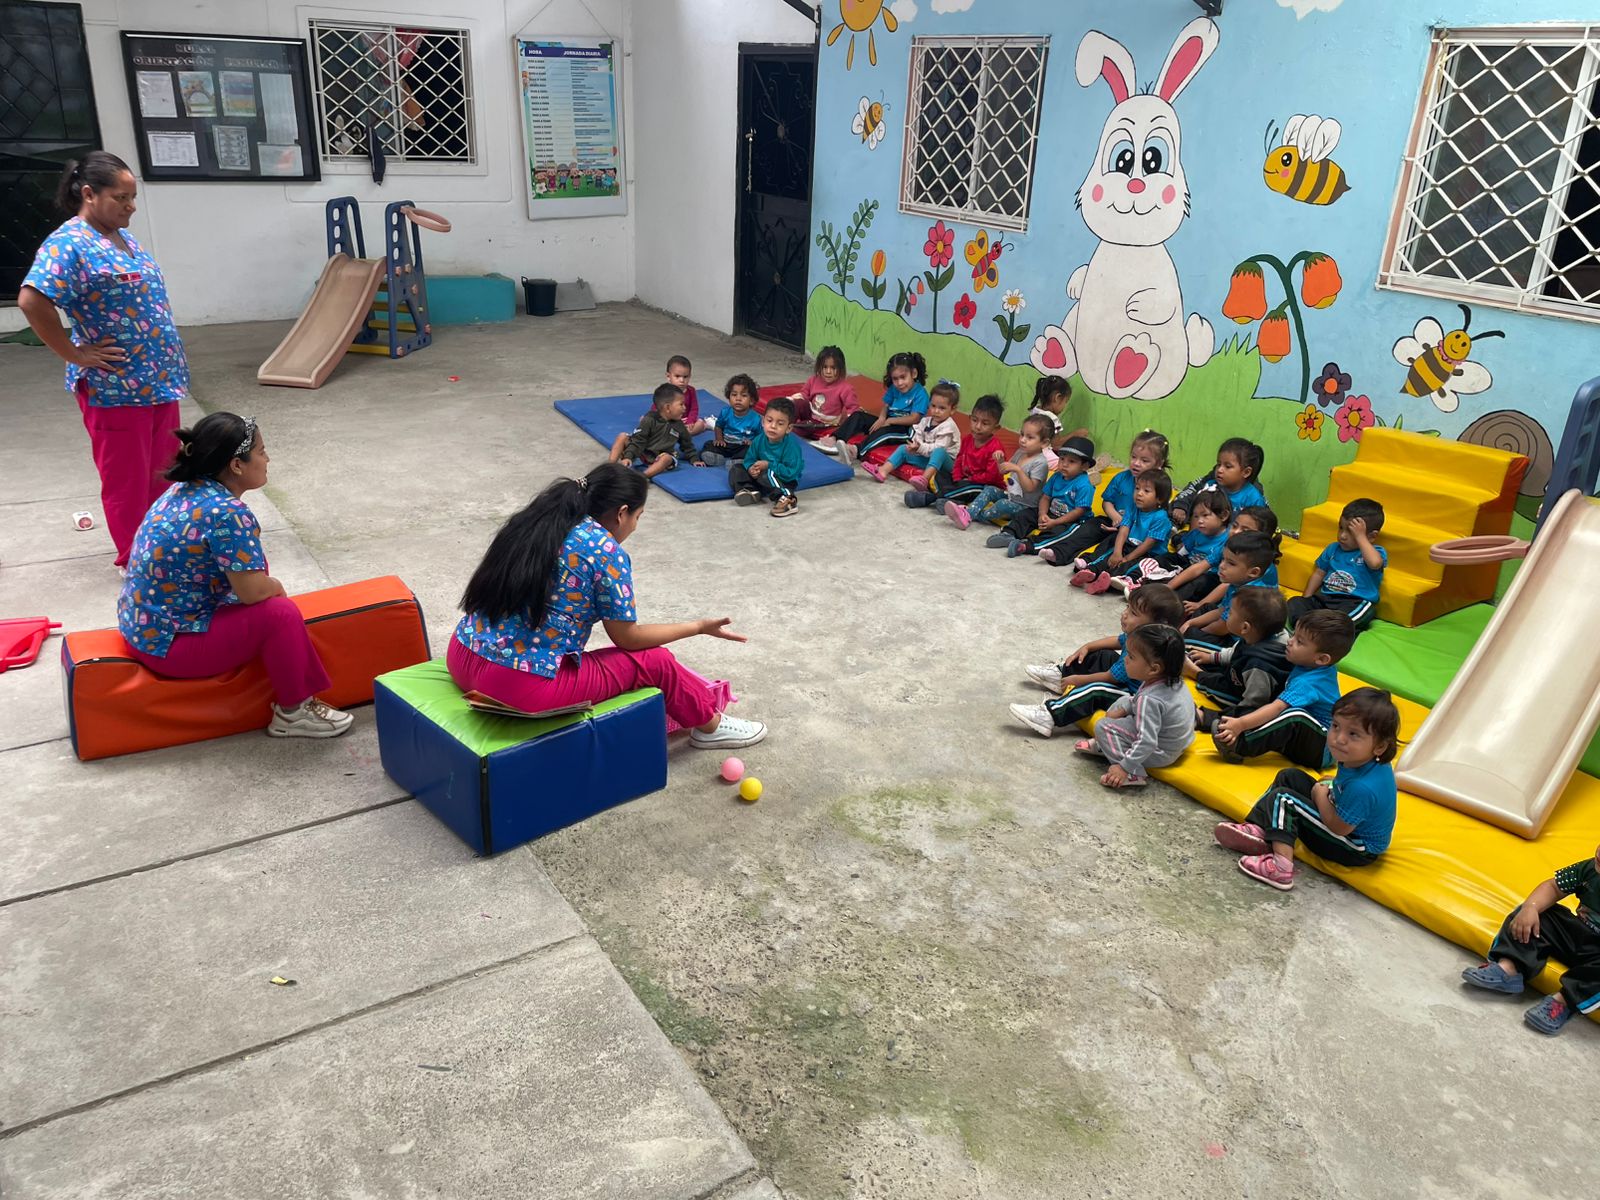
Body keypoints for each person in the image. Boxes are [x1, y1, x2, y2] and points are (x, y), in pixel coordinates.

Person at [451, 462, 765, 748]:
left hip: (462, 655)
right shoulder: (605, 550)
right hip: (517, 685)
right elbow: (628, 638)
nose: (635, 526)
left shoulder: (538, 523)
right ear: (621, 513)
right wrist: (697, 627)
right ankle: (710, 727)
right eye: (637, 517)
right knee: (656, 662)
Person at [116, 412, 351, 738]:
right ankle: (295, 712)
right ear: (237, 465)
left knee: (261, 587)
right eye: (262, 452)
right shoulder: (227, 513)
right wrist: (275, 586)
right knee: (280, 613)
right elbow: (252, 592)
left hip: (143, 630)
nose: (268, 460)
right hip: (171, 647)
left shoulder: (182, 490)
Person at [18, 151, 191, 572]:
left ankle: (161, 548)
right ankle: (138, 563)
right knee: (127, 481)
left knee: (163, 472)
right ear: (89, 194)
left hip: (157, 381)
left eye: (133, 198)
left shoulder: (122, 238)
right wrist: (74, 353)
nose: (131, 207)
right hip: (115, 387)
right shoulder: (69, 244)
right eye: (121, 197)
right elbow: (32, 300)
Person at [1213, 687, 1400, 891]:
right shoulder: (1362, 759)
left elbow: (1339, 827)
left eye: (1353, 734)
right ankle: (1260, 829)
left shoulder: (1363, 787)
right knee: (1290, 777)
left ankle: (1281, 867)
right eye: (1336, 726)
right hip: (1343, 817)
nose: (1339, 738)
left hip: (1355, 846)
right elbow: (1348, 786)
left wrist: (1320, 795)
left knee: (1285, 800)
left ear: (1380, 746)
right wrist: (1331, 785)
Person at [1461, 841, 1600, 1035]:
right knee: (1537, 912)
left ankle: (1563, 1002)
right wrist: (1531, 907)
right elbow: (1553, 887)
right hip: (1577, 932)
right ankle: (1509, 969)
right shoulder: (1590, 868)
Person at [1011, 583, 1184, 735]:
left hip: (1133, 695)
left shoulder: (1148, 654)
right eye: (1127, 607)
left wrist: (1078, 680)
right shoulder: (1142, 637)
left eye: (1133, 613)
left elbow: (1110, 677)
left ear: (1156, 625)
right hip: (1130, 677)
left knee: (1095, 690)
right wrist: (1088, 646)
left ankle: (1049, 716)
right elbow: (1118, 641)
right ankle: (1061, 675)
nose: (1124, 614)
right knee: (1103, 654)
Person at [1212, 609, 1356, 767]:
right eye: (1293, 634)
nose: (1290, 641)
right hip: (1296, 741)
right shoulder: (1310, 663)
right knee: (1272, 699)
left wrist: (1241, 724)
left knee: (1294, 715)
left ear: (1322, 659)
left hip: (1321, 749)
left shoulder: (1308, 683)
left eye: (1299, 642)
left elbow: (1277, 708)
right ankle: (1216, 720)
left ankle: (1240, 746)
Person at [1075, 625, 1197, 789]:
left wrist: (1123, 767)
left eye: (1131, 657)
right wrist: (1125, 708)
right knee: (1124, 702)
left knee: (1103, 727)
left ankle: (1133, 773)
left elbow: (1147, 742)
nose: (1125, 659)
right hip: (1177, 742)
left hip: (1160, 751)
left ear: (1153, 669)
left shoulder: (1149, 699)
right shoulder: (1173, 681)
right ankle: (1109, 744)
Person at [1040, 429, 1169, 567]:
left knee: (1113, 544)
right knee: (1088, 528)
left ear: (1159, 464)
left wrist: (1124, 526)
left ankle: (1090, 564)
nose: (1136, 463)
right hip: (1113, 521)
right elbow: (1107, 501)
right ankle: (1059, 552)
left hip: (1135, 531)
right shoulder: (1122, 477)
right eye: (1133, 457)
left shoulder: (1160, 485)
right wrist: (1114, 517)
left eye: (1144, 460)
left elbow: (1157, 515)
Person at [1187, 584, 1292, 734]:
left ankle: (1194, 673)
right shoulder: (1258, 635)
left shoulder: (1259, 667)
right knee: (1198, 654)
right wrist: (1212, 657)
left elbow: (1252, 706)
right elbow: (1235, 652)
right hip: (1240, 675)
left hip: (1246, 699)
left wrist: (1198, 674)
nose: (1226, 615)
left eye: (1230, 613)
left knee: (1213, 681)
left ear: (1245, 628)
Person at [1069, 470, 1175, 595]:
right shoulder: (1133, 507)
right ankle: (1091, 570)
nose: (1139, 493)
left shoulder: (1161, 518)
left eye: (1146, 491)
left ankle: (1107, 580)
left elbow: (1148, 544)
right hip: (1130, 544)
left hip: (1148, 553)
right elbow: (1124, 530)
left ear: (1160, 499)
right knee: (1110, 554)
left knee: (1130, 566)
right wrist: (1117, 552)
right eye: (1137, 488)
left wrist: (1127, 558)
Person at [988, 435, 1096, 557]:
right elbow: (1045, 497)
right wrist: (1042, 514)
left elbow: (1079, 511)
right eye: (1062, 459)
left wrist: (1055, 522)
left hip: (1072, 520)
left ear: (1084, 466)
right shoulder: (1057, 477)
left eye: (1072, 461)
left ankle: (1026, 546)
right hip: (1051, 512)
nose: (1064, 464)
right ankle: (1008, 534)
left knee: (1060, 534)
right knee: (1026, 514)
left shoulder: (1084, 485)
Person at [1289, 498, 1387, 632]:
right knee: (1295, 603)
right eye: (1341, 528)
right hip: (1326, 598)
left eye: (1351, 532)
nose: (1342, 536)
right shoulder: (1333, 549)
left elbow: (1375, 563)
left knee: (1348, 618)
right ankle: (1306, 628)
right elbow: (1318, 574)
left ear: (1371, 536)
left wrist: (1361, 538)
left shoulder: (1375, 552)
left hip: (1355, 602)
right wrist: (1306, 599)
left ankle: (1323, 630)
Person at [944, 414, 1052, 531]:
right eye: (1022, 434)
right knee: (990, 490)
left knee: (1002, 504)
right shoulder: (1021, 453)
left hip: (1026, 507)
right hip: (1011, 496)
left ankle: (977, 515)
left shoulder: (1040, 463)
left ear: (1044, 443)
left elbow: (1030, 488)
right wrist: (1000, 460)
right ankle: (968, 514)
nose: (1022, 440)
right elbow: (1003, 471)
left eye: (1030, 437)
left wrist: (1018, 470)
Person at [1123, 487, 1230, 596]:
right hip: (1188, 566)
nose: (1199, 521)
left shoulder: (1226, 542)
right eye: (1196, 516)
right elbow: (1182, 554)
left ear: (1223, 515)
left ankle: (1162, 598)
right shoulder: (1197, 533)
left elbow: (1199, 569)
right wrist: (1170, 562)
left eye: (1205, 515)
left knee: (1199, 582)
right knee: (1165, 558)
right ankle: (1131, 578)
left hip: (1207, 575)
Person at [1180, 531, 1278, 643]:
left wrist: (1198, 631)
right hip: (1227, 625)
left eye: (1231, 563)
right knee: (1205, 608)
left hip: (1237, 641)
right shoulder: (1238, 582)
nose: (1222, 566)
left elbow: (1223, 627)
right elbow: (1221, 611)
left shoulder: (1249, 596)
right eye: (1223, 559)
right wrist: (1191, 623)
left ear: (1253, 572)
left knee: (1189, 635)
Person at [834, 351, 929, 465]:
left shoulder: (920, 393)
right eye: (895, 379)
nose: (899, 383)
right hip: (889, 421)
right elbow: (886, 405)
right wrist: (882, 418)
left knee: (884, 432)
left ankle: (855, 451)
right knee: (858, 416)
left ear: (914, 373)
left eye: (903, 377)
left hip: (906, 430)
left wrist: (889, 421)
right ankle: (835, 439)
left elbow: (915, 418)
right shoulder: (894, 388)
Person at [864, 381, 961, 487]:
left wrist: (920, 448)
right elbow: (918, 437)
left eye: (942, 408)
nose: (936, 411)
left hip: (945, 464)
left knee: (939, 452)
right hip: (928, 460)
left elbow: (937, 448)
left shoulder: (948, 427)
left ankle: (924, 479)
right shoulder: (925, 421)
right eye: (933, 406)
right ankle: (883, 470)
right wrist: (914, 446)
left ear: (952, 410)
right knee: (903, 449)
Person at [730, 397, 804, 518]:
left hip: (784, 480)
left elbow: (791, 472)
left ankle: (787, 498)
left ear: (789, 428)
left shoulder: (791, 447)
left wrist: (769, 465)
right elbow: (750, 458)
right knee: (737, 468)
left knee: (767, 473)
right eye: (769, 421)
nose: (773, 426)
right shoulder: (759, 440)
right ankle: (749, 490)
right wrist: (751, 468)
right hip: (763, 477)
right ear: (763, 421)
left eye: (780, 423)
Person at [609, 384, 704, 477]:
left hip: (661, 457)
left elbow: (687, 445)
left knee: (667, 458)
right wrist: (628, 457)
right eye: (681, 404)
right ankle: (610, 467)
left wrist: (694, 459)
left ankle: (642, 476)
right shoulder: (649, 419)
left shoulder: (679, 425)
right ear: (668, 407)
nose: (685, 408)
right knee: (622, 436)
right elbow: (638, 440)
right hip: (643, 452)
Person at [1169, 437, 1267, 527]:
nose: (1219, 470)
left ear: (1246, 472)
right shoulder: (1210, 486)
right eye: (1218, 464)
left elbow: (1254, 531)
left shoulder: (1254, 498)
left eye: (1228, 466)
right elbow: (1196, 516)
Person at [787, 345, 859, 452]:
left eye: (833, 368)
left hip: (825, 423)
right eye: (825, 367)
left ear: (840, 369)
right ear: (819, 367)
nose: (828, 371)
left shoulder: (845, 388)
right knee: (796, 403)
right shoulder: (813, 380)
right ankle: (785, 422)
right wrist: (792, 401)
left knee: (803, 427)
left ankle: (789, 431)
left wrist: (845, 425)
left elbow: (853, 409)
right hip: (811, 413)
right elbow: (804, 395)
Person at [701, 374, 763, 468]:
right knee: (708, 444)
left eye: (744, 395)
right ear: (729, 398)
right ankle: (716, 458)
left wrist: (752, 442)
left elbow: (761, 436)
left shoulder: (755, 418)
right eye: (734, 395)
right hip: (726, 444)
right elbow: (718, 426)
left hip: (742, 447)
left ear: (751, 400)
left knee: (751, 451)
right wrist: (719, 439)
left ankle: (737, 462)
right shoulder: (725, 412)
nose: (738, 399)